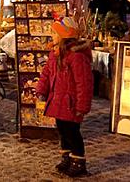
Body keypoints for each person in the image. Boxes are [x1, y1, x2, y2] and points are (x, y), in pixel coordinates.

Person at [36, 17, 93, 177]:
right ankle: (67, 157)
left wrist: (82, 107)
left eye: (55, 33)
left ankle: (78, 161)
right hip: (58, 101)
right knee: (62, 130)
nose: (52, 36)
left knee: (72, 133)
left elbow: (84, 83)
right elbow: (47, 74)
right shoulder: (55, 54)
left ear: (64, 35)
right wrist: (41, 90)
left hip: (71, 103)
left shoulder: (77, 57)